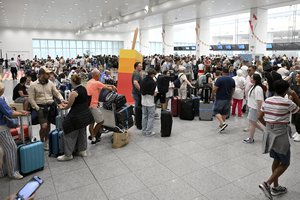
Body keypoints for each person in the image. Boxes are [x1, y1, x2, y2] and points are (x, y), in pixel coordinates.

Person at [258, 79, 300, 199]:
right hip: (281, 134)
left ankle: (275, 187)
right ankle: (267, 183)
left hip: (270, 133)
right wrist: (294, 94)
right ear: (286, 90)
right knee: (285, 162)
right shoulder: (287, 102)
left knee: (276, 159)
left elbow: (260, 117)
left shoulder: (268, 100)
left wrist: (269, 126)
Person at [57, 75, 94, 161]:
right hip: (85, 115)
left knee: (68, 130)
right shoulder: (83, 89)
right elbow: (79, 101)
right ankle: (82, 150)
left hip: (76, 116)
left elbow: (69, 106)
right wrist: (67, 102)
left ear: (72, 82)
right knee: (82, 132)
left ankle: (68, 154)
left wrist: (62, 107)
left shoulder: (73, 92)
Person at [28, 66, 65, 150]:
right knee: (43, 126)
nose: (49, 75)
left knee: (48, 125)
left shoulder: (51, 84)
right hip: (40, 107)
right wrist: (37, 108)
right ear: (41, 74)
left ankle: (46, 141)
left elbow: (56, 93)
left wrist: (62, 99)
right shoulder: (33, 85)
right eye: (47, 74)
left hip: (51, 106)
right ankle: (41, 141)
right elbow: (31, 98)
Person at [0, 82, 29, 180]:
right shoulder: (0, 100)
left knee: (2, 150)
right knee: (11, 148)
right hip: (2, 129)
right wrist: (21, 114)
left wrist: (19, 112)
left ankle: (2, 171)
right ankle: (12, 172)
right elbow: (10, 113)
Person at [86, 69, 117, 144]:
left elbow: (102, 85)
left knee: (92, 122)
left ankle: (92, 136)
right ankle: (94, 135)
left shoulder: (89, 82)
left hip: (88, 105)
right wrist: (113, 87)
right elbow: (108, 88)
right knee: (101, 121)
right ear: (96, 75)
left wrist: (111, 85)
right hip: (94, 105)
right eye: (99, 75)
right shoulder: (96, 83)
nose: (100, 76)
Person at [212, 67, 235, 132]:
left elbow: (215, 88)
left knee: (215, 111)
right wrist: (231, 97)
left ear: (222, 72)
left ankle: (223, 123)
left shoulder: (219, 79)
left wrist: (213, 94)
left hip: (220, 98)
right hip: (228, 98)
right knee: (224, 112)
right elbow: (233, 89)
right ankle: (222, 125)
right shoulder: (232, 80)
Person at [243, 74, 265, 143]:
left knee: (252, 124)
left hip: (255, 108)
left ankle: (251, 138)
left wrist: (258, 111)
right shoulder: (254, 86)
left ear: (255, 79)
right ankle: (266, 132)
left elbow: (259, 100)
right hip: (253, 108)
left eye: (252, 78)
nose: (250, 79)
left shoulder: (258, 88)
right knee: (254, 123)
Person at [140, 68, 157, 136]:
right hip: (150, 102)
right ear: (152, 74)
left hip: (143, 101)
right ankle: (149, 132)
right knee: (150, 117)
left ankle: (144, 130)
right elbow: (154, 93)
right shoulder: (153, 82)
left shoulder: (143, 80)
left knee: (144, 116)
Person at [291, 71, 300, 142]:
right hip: (294, 104)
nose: (296, 78)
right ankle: (297, 131)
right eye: (296, 76)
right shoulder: (294, 85)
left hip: (299, 104)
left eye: (298, 77)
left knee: (298, 119)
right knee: (294, 119)